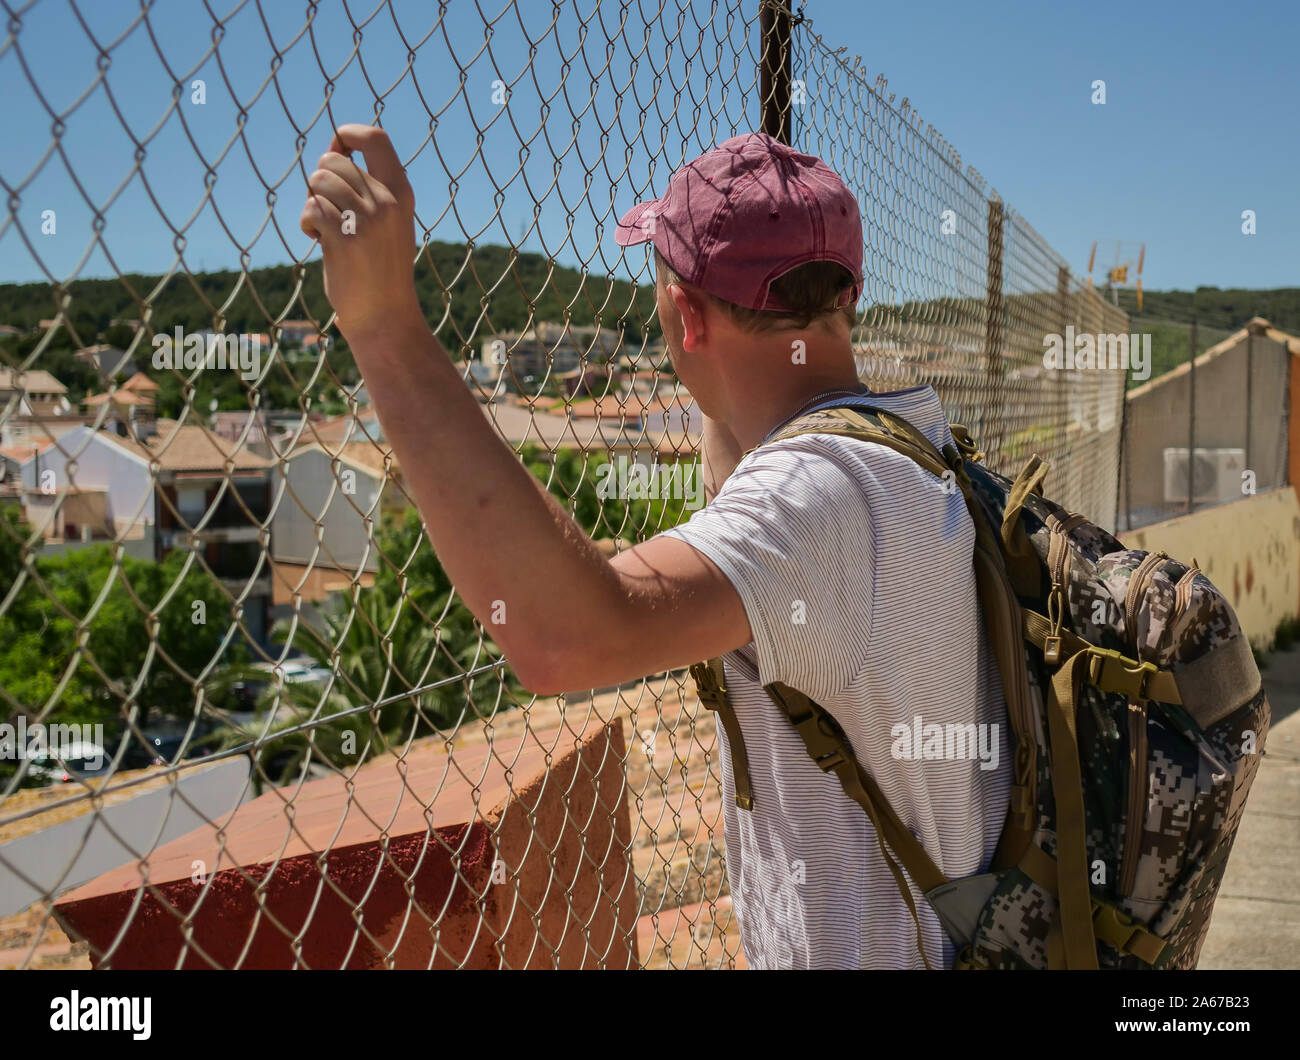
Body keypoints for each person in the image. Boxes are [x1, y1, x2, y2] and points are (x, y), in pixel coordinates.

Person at [300, 126, 1011, 969]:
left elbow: (566, 637)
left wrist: (382, 323)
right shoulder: (906, 440)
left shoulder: (814, 502)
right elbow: (738, 479)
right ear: (845, 299)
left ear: (682, 316)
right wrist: (711, 328)